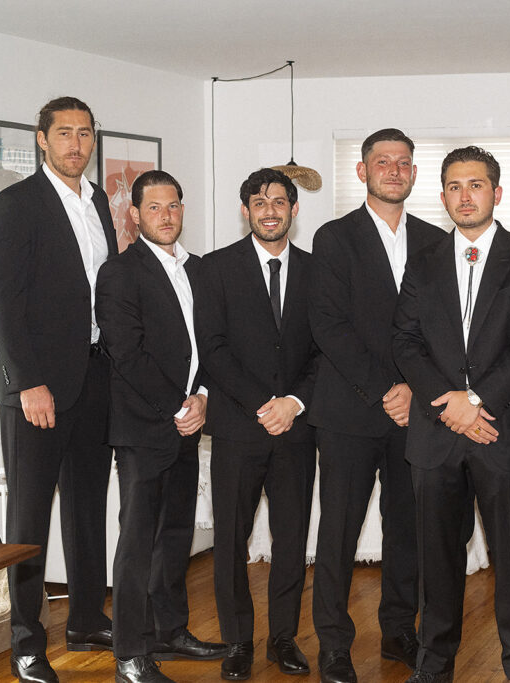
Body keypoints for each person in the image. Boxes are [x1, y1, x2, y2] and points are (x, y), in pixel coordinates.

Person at [393, 146, 510, 683]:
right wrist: (451, 405)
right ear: (442, 196)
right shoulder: (421, 262)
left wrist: (476, 401)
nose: (465, 196)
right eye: (455, 187)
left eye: (476, 185)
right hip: (436, 432)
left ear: (496, 192)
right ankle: (433, 666)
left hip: (504, 430)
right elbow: (406, 342)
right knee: (436, 562)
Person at [0, 96, 116, 683]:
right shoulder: (16, 205)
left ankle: (87, 618)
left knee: (88, 508)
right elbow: (5, 305)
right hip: (37, 387)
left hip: (95, 378)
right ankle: (25, 641)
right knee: (29, 518)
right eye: (64, 133)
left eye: (85, 134)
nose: (76, 145)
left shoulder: (101, 203)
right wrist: (28, 382)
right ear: (41, 139)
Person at [309, 128, 444, 683]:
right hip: (349, 409)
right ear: (362, 172)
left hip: (417, 411)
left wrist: (413, 388)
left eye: (404, 162)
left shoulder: (438, 241)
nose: (394, 169)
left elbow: (441, 329)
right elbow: (329, 326)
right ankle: (335, 644)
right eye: (382, 162)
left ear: (414, 174)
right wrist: (386, 387)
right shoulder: (333, 237)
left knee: (407, 529)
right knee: (338, 531)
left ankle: (398, 631)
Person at [95, 171, 227, 683]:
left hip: (189, 422)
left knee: (175, 536)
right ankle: (130, 651)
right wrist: (179, 404)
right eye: (154, 208)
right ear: (134, 214)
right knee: (137, 542)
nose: (166, 216)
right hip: (144, 427)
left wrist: (204, 399)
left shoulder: (200, 270)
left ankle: (170, 632)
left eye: (173, 206)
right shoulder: (119, 274)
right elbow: (127, 353)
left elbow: (212, 344)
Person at [195, 168, 317, 681]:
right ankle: (238, 640)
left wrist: (293, 402)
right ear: (245, 210)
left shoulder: (318, 271)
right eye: (259, 201)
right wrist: (263, 403)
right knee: (231, 542)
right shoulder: (214, 268)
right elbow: (213, 347)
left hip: (297, 429)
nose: (270, 209)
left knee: (291, 541)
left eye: (280, 201)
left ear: (294, 209)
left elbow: (326, 351)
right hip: (239, 428)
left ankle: (283, 638)